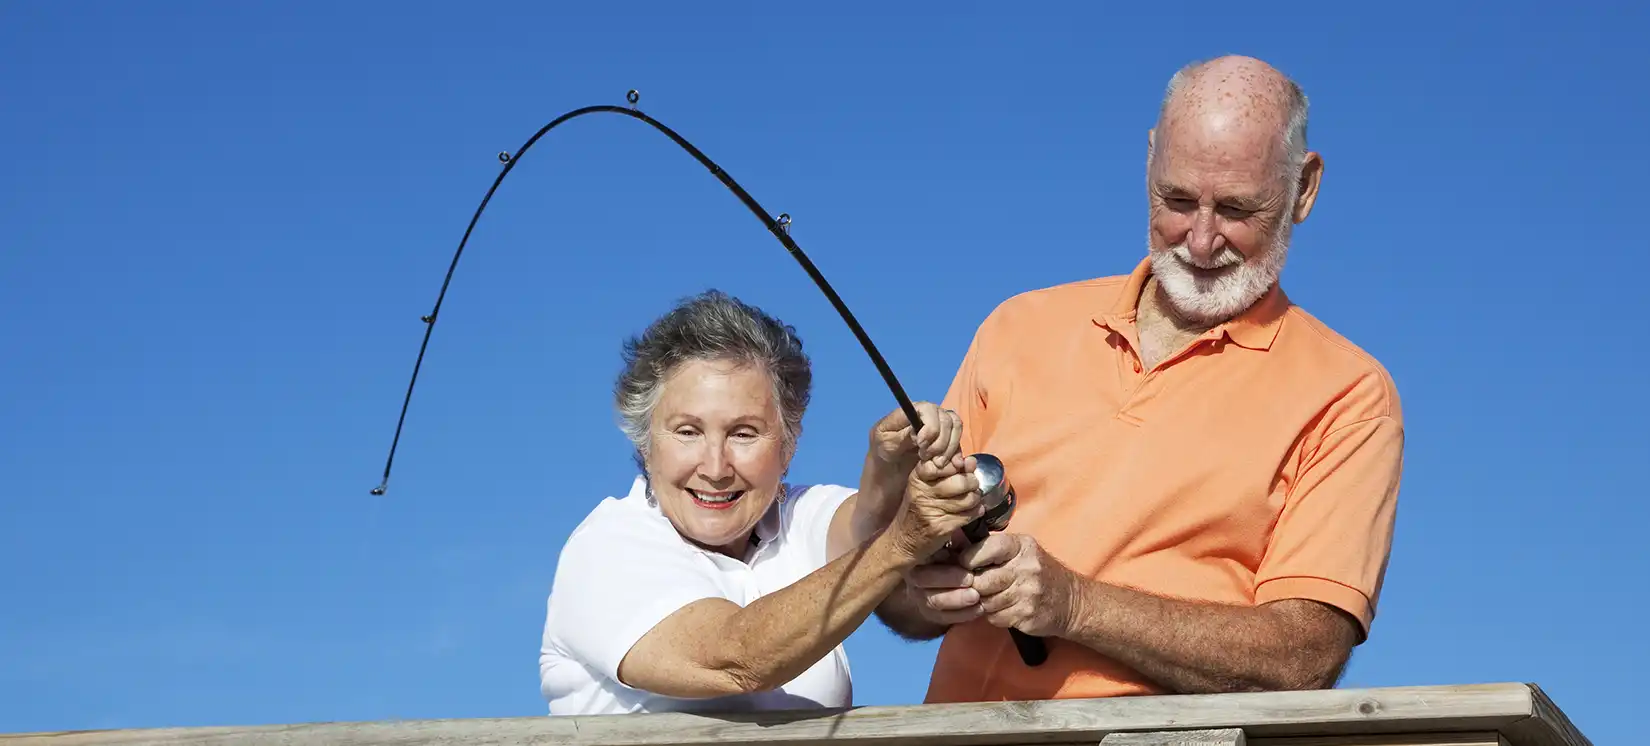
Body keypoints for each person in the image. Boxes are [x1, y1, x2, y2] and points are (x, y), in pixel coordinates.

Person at [874, 55, 1406, 702]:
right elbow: (901, 607)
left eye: (1238, 208)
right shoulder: (1017, 327)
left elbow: (1305, 654)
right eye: (1177, 200)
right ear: (1150, 159)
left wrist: (1075, 606)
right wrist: (919, 583)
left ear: (1306, 189)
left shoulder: (1349, 395)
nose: (1202, 240)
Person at [538, 290, 985, 715]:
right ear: (645, 443)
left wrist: (889, 467)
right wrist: (904, 543)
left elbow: (867, 530)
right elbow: (735, 659)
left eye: (743, 433)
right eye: (688, 432)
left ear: (788, 447)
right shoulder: (607, 545)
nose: (715, 467)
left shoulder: (796, 513)